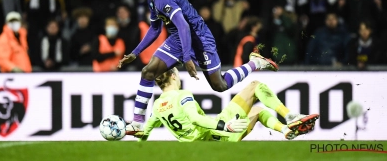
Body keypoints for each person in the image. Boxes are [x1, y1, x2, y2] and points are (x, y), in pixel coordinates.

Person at [118, 0, 279, 131]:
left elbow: (184, 25)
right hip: (178, 38)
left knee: (220, 85)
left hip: (199, 37)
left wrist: (187, 57)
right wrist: (135, 52)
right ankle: (137, 123)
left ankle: (256, 63)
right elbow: (155, 28)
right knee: (148, 72)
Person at [133, 67, 319, 142]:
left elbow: (144, 133)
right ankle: (289, 116)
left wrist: (128, 130)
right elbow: (196, 119)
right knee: (255, 86)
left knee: (258, 110)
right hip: (219, 134)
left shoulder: (157, 106)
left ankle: (286, 130)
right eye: (177, 72)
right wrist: (226, 126)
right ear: (173, 75)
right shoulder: (182, 95)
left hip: (205, 144)